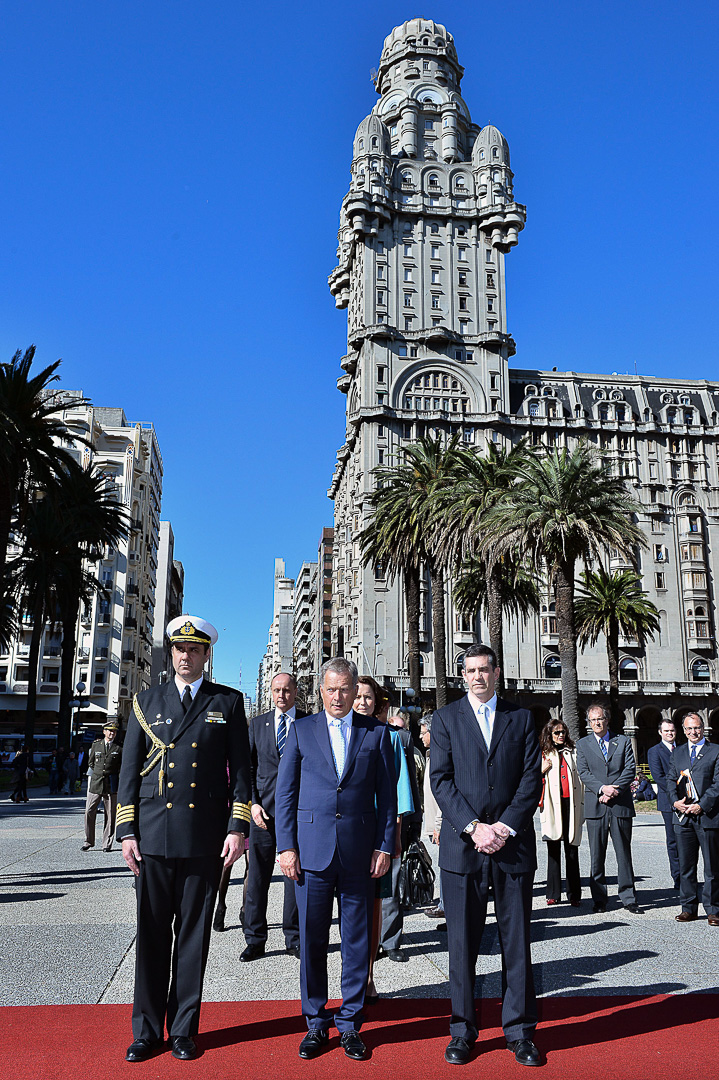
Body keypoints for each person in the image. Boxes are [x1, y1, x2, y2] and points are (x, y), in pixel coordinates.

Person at [116, 615, 251, 1063]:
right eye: (180, 649)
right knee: (151, 935)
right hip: (153, 837)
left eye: (195, 650)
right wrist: (127, 831)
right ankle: (146, 1030)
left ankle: (184, 1030)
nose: (187, 656)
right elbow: (129, 771)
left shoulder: (227, 702)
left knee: (193, 938)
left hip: (203, 839)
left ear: (207, 655)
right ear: (171, 653)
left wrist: (237, 828)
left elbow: (241, 774)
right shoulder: (145, 701)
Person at [275, 657, 396, 1062]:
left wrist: (384, 846)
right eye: (331, 689)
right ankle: (314, 1021)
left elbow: (388, 800)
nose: (339, 696)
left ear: (355, 689)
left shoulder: (377, 734)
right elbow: (286, 794)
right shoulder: (301, 731)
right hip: (311, 852)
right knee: (311, 940)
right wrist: (286, 846)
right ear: (321, 691)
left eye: (346, 688)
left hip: (361, 854)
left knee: (357, 942)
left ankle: (349, 1022)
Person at [430, 644, 542, 1067]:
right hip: (463, 850)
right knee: (461, 944)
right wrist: (475, 827)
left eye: (484, 669)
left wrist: (504, 827)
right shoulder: (445, 719)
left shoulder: (521, 718)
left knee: (517, 944)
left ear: (497, 673)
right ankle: (462, 1030)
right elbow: (441, 781)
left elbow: (531, 778)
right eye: (470, 670)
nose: (477, 676)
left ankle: (519, 1031)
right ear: (463, 676)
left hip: (512, 848)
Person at [352, 676, 413, 1003]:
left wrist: (395, 837)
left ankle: (370, 977)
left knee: (376, 906)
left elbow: (400, 789)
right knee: (352, 909)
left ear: (378, 702)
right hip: (345, 835)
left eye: (368, 697)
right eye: (357, 696)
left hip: (378, 835)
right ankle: (354, 976)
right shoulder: (340, 733)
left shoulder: (390, 738)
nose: (362, 702)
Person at [239, 672, 306, 958]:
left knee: (295, 877)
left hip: (299, 815)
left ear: (295, 692)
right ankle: (255, 939)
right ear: (270, 692)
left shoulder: (309, 722)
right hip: (262, 815)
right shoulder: (256, 725)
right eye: (276, 690)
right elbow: (248, 770)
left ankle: (294, 939)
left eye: (287, 690)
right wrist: (253, 803)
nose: (281, 695)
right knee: (257, 877)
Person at [576, 703, 641, 915]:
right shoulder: (583, 745)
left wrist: (614, 791)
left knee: (624, 853)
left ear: (607, 720)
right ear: (589, 722)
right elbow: (583, 773)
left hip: (620, 805)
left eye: (600, 719)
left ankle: (628, 897)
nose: (597, 722)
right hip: (596, 806)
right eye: (593, 719)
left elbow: (630, 768)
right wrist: (602, 788)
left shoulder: (621, 741)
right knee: (597, 855)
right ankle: (599, 899)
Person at [667, 713, 719, 926]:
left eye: (696, 728)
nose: (693, 732)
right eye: (688, 729)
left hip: (708, 816)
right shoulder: (677, 752)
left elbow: (718, 784)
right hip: (683, 818)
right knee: (686, 866)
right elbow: (670, 780)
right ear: (683, 730)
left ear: (703, 728)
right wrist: (674, 802)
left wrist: (702, 805)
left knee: (712, 867)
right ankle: (688, 907)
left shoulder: (715, 751)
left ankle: (713, 909)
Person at [539, 720, 583, 907]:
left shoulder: (572, 752)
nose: (560, 735)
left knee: (572, 849)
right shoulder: (543, 753)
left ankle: (574, 894)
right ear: (549, 734)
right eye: (556, 732)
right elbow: (531, 776)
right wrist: (543, 768)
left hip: (570, 803)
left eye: (563, 732)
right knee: (553, 849)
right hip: (552, 805)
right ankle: (553, 893)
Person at [647, 721, 680, 889]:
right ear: (660, 732)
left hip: (688, 801)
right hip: (668, 802)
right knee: (673, 840)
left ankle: (690, 876)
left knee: (689, 841)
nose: (670, 733)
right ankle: (678, 877)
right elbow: (658, 777)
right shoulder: (654, 752)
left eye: (672, 730)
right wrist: (676, 794)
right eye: (666, 730)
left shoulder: (683, 749)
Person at [82, 720, 123, 852]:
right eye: (110, 731)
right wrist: (98, 774)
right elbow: (91, 763)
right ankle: (89, 840)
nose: (112, 733)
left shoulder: (119, 747)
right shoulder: (96, 745)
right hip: (96, 782)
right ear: (104, 731)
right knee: (89, 811)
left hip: (111, 783)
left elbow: (121, 766)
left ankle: (106, 843)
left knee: (110, 815)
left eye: (114, 731)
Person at [420, 715, 445, 923]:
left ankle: (447, 908)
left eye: (423, 732)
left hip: (441, 824)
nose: (420, 736)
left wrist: (438, 825)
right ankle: (445, 906)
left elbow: (442, 795)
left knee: (446, 866)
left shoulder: (440, 756)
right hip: (434, 822)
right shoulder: (430, 755)